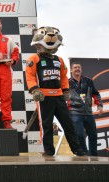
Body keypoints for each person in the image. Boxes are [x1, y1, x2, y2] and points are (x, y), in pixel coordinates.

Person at [25, 26, 85, 156]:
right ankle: (48, 150)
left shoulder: (59, 59)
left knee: (68, 124)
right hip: (44, 97)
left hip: (59, 97)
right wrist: (35, 90)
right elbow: (29, 76)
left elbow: (63, 77)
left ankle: (77, 149)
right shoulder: (34, 58)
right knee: (46, 125)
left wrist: (65, 90)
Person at [69, 62, 104, 156]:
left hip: (88, 112)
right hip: (75, 112)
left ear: (81, 70)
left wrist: (100, 105)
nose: (77, 69)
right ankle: (83, 155)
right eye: (75, 67)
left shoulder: (88, 81)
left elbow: (95, 94)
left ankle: (94, 156)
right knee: (80, 135)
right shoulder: (67, 83)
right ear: (71, 70)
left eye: (79, 67)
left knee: (93, 135)